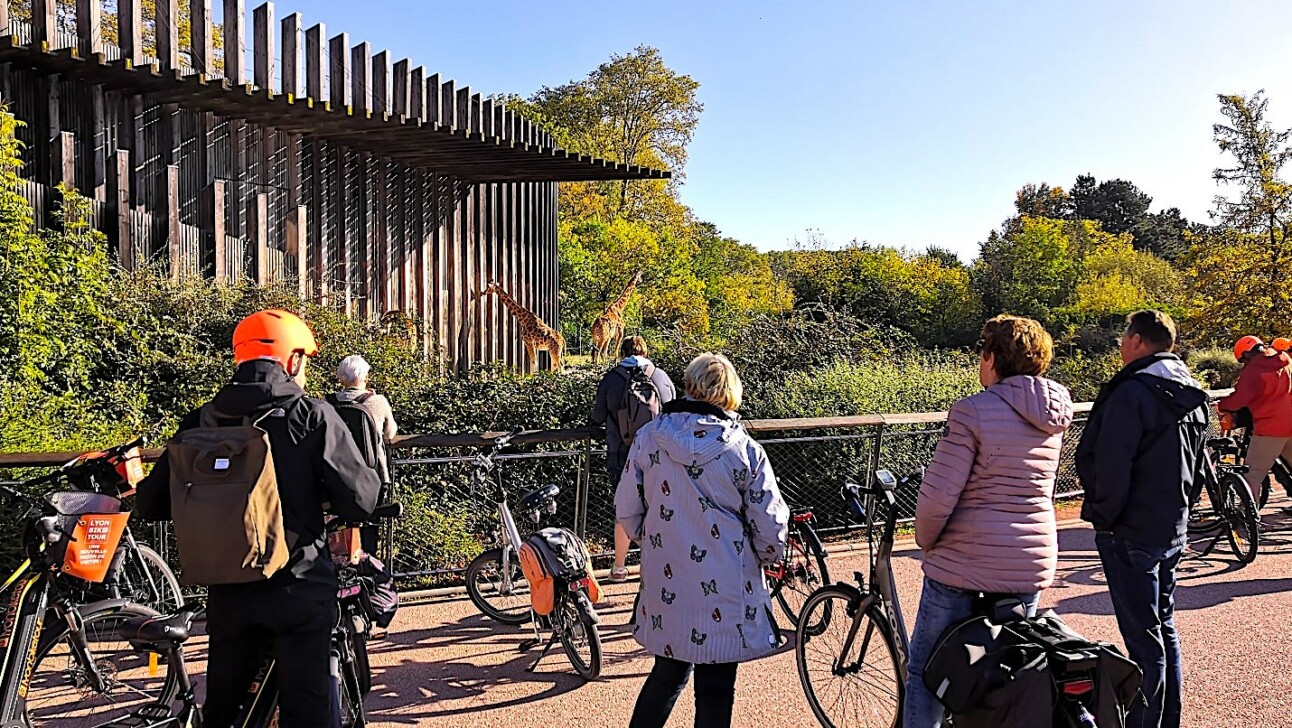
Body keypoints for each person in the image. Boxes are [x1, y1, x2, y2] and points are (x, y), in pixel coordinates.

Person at [137, 309, 381, 728]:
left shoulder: (203, 420)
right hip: (299, 589)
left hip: (229, 593)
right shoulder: (313, 415)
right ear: (293, 359)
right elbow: (362, 499)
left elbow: (152, 504)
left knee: (224, 711)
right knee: (308, 712)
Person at [905, 315, 1074, 728]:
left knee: (927, 672)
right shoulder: (1055, 413)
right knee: (1007, 672)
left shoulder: (972, 412)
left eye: (982, 352)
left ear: (994, 357)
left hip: (964, 561)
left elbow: (938, 497)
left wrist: (927, 542)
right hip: (1028, 562)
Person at [615, 353, 788, 728]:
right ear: (729, 393)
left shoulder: (649, 438)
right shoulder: (743, 449)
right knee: (716, 687)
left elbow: (626, 507)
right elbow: (770, 522)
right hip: (727, 581)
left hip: (668, 580)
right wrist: (767, 555)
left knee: (666, 675)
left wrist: (655, 539)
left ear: (690, 384)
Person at [1077, 310, 1208, 728]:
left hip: (1130, 528)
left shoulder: (1132, 392)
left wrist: (1105, 516)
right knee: (1162, 629)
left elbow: (1111, 462)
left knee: (1143, 638)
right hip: (1170, 526)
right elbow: (1198, 466)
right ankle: (1167, 718)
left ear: (1135, 340)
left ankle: (1145, 723)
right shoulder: (1191, 393)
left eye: (1124, 337)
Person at [592, 336, 677, 581]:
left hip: (621, 454)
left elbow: (597, 416)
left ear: (622, 352)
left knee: (625, 506)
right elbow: (672, 414)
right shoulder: (660, 377)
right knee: (659, 506)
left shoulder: (611, 379)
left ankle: (619, 566)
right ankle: (658, 564)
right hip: (659, 455)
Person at [1216, 335, 1292, 505]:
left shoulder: (1254, 371)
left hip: (1270, 428)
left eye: (1243, 359)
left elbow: (1239, 399)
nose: (1244, 363)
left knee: (1252, 475)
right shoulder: (1285, 358)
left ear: (1246, 354)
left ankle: (1248, 518)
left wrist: (1222, 406)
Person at [330, 354, 399, 489]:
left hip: (338, 471)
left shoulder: (328, 402)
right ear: (366, 377)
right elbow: (389, 434)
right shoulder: (378, 401)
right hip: (374, 472)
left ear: (341, 379)